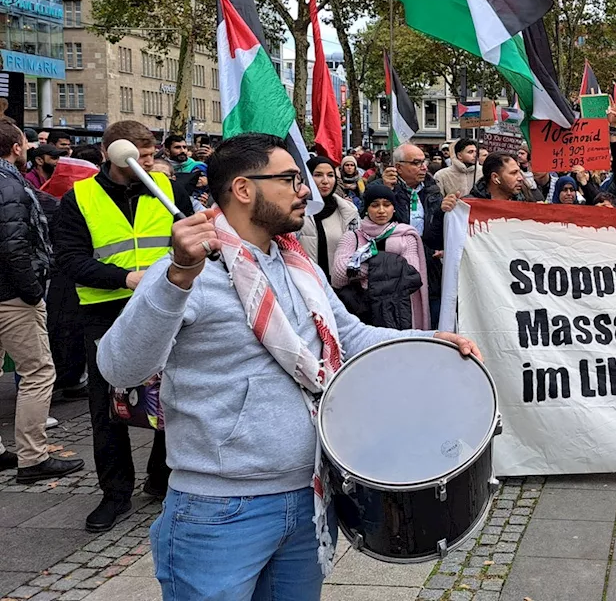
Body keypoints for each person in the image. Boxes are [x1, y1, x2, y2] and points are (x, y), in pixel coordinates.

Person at [94, 133, 480, 599]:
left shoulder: (299, 266)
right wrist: (176, 278)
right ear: (243, 189)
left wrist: (428, 340)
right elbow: (119, 367)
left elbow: (349, 337)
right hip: (219, 511)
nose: (306, 191)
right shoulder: (182, 273)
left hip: (309, 497)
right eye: (291, 180)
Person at [54, 119, 189, 532]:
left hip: (163, 308)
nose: (150, 166)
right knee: (105, 408)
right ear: (111, 155)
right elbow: (70, 260)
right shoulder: (80, 198)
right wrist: (125, 278)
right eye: (140, 159)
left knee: (173, 396)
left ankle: (162, 478)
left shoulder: (167, 189)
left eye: (152, 157)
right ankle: (115, 493)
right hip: (105, 312)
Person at [0, 122, 85, 481]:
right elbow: (13, 242)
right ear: (17, 148)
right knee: (37, 371)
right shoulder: (9, 184)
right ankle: (33, 457)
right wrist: (31, 290)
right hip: (11, 294)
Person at [371, 144, 450, 327]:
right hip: (394, 270)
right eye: (416, 163)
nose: (423, 167)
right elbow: (370, 223)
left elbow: (436, 231)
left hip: (430, 269)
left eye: (424, 161)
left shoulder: (433, 189)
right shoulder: (382, 187)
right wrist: (387, 190)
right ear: (398, 167)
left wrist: (443, 213)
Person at [333, 184, 431, 330]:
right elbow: (338, 275)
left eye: (387, 205)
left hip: (399, 311)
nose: (381, 210)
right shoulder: (352, 237)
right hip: (362, 311)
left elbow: (411, 273)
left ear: (394, 208)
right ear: (366, 208)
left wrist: (362, 267)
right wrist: (391, 265)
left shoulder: (406, 236)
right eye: (375, 205)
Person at [298, 157, 359, 280]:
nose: (325, 181)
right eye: (318, 175)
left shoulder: (348, 212)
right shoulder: (294, 210)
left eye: (330, 175)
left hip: (339, 287)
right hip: (305, 284)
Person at [466, 152, 534, 201]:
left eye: (519, 172)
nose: (520, 178)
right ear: (495, 178)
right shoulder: (468, 206)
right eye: (513, 173)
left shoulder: (526, 201)